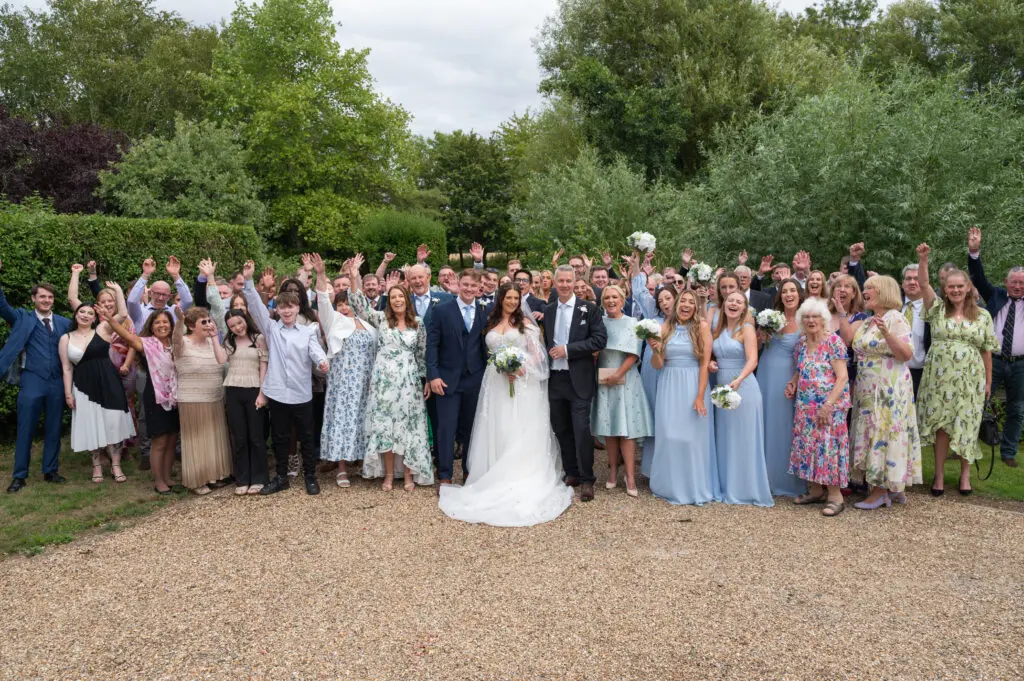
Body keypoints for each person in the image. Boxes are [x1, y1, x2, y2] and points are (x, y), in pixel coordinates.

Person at [439, 285, 574, 525]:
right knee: (497, 426)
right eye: (508, 297)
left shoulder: (527, 325)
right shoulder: (489, 321)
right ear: (501, 299)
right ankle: (492, 473)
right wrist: (502, 366)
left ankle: (517, 475)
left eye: (515, 298)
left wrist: (519, 366)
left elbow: (539, 357)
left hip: (521, 382)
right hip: (494, 383)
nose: (512, 301)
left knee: (517, 428)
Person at [915, 244, 998, 496]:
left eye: (960, 286)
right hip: (939, 379)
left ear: (969, 288)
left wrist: (988, 382)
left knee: (967, 425)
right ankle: (938, 476)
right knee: (941, 426)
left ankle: (965, 476)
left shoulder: (982, 315)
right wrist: (923, 259)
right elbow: (923, 284)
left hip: (970, 379)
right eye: (951, 286)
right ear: (945, 289)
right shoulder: (937, 309)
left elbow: (986, 351)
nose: (955, 290)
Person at [242, 260, 330, 496]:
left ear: (297, 307)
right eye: (283, 308)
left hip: (302, 393)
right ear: (278, 310)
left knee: (307, 437)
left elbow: (316, 351)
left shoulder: (307, 331)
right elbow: (255, 307)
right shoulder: (271, 329)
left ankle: (310, 476)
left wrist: (322, 362)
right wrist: (249, 281)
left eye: (292, 307)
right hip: (279, 392)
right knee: (280, 437)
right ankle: (281, 477)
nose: (288, 311)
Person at [349, 265, 434, 491]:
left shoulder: (418, 323)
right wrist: (353, 277)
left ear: (407, 299)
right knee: (386, 426)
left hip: (408, 382)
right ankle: (387, 475)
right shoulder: (381, 320)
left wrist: (424, 380)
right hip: (384, 381)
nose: (397, 300)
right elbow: (359, 306)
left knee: (407, 428)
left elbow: (422, 354)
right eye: (393, 296)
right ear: (389, 300)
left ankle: (407, 475)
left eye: (400, 296)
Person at [847, 275, 922, 509]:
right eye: (865, 287)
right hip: (867, 387)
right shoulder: (870, 320)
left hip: (887, 388)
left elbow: (906, 355)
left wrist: (887, 334)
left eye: (870, 288)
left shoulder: (895, 318)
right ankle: (893, 486)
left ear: (884, 292)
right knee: (872, 431)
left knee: (884, 431)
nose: (865, 291)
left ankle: (880, 491)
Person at [0, 262, 72, 492]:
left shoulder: (63, 322)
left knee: (53, 427)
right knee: (26, 428)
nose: (46, 300)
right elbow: (2, 306)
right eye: (42, 297)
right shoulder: (21, 318)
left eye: (50, 297)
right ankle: (19, 475)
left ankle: (50, 471)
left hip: (56, 382)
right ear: (33, 299)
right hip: (31, 380)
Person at [310, 254, 377, 487]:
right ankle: (341, 468)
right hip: (343, 384)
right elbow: (322, 300)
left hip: (366, 382)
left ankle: (362, 462)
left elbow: (359, 297)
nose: (346, 307)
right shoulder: (333, 322)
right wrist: (320, 274)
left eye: (348, 302)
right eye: (341, 303)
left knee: (362, 421)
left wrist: (355, 275)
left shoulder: (369, 324)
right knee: (341, 422)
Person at [647, 289, 718, 505]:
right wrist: (656, 350)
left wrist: (699, 396)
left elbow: (705, 363)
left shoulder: (702, 327)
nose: (686, 305)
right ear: (676, 305)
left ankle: (693, 487)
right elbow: (657, 365)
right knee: (669, 435)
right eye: (683, 301)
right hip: (669, 383)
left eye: (691, 302)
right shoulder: (665, 327)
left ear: (696, 307)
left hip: (693, 384)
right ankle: (669, 485)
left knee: (691, 438)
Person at [543, 265, 608, 501]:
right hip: (555, 379)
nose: (564, 284)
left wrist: (568, 350)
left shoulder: (588, 309)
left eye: (568, 281)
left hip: (579, 379)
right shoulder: (549, 311)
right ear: (555, 283)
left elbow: (599, 340)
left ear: (574, 282)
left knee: (581, 430)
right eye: (560, 281)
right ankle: (571, 472)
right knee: (561, 428)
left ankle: (587, 478)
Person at [103, 309, 180, 495]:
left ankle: (168, 476)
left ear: (171, 325)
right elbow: (128, 337)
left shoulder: (177, 343)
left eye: (165, 322)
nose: (162, 325)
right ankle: (159, 481)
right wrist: (112, 322)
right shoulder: (147, 344)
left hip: (176, 395)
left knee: (171, 439)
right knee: (160, 440)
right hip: (155, 396)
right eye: (157, 323)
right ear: (151, 327)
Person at [787, 298, 851, 517]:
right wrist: (793, 382)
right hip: (805, 405)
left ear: (823, 319)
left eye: (815, 316)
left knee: (828, 448)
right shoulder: (801, 343)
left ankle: (835, 496)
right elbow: (800, 368)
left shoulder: (833, 342)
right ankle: (815, 490)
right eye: (806, 317)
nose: (811, 320)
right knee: (808, 447)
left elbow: (842, 377)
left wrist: (828, 405)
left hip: (829, 406)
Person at [59, 303, 136, 483]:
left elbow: (123, 314)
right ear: (76, 315)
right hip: (84, 385)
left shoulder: (102, 329)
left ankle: (116, 465)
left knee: (114, 422)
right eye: (82, 312)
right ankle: (97, 467)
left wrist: (117, 290)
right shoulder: (65, 338)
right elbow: (66, 368)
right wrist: (68, 393)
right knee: (91, 424)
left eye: (90, 313)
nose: (85, 315)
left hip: (109, 381)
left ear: (95, 318)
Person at [967, 226, 1024, 469]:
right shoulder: (996, 295)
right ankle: (967, 447)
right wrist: (974, 252)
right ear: (1006, 282)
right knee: (977, 402)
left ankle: (1008, 451)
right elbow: (977, 277)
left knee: (1017, 409)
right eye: (1014, 282)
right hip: (993, 360)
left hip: (1020, 363)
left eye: (1022, 283)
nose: (1018, 286)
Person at [427, 269, 489, 487]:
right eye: (465, 284)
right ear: (459, 285)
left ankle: (469, 472)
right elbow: (432, 344)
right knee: (446, 428)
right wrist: (433, 375)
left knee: (472, 428)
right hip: (446, 379)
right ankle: (444, 474)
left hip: (475, 379)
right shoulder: (442, 310)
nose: (469, 289)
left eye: (473, 286)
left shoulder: (485, 311)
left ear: (479, 287)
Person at [712, 291, 773, 506]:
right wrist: (712, 364)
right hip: (722, 386)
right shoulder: (718, 329)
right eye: (730, 300)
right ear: (724, 304)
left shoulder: (746, 329)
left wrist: (738, 380)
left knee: (744, 437)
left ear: (744, 307)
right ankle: (727, 484)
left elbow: (753, 360)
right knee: (726, 435)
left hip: (743, 386)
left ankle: (747, 488)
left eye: (739, 301)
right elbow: (713, 356)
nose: (734, 304)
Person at [591, 285, 653, 497]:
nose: (610, 300)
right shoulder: (598, 321)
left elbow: (634, 354)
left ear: (622, 299)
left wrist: (618, 374)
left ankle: (630, 475)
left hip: (626, 377)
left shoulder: (632, 323)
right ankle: (612, 472)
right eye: (606, 297)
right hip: (605, 376)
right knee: (609, 426)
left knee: (625, 429)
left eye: (614, 297)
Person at [172, 305, 231, 495]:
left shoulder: (212, 343)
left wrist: (214, 338)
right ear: (191, 326)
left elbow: (222, 361)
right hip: (192, 399)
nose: (208, 324)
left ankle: (213, 476)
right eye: (203, 322)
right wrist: (179, 320)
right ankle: (197, 479)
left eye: (209, 320)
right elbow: (174, 340)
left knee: (214, 437)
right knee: (196, 440)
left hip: (214, 397)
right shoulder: (182, 342)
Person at [628, 256, 677, 478]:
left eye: (668, 298)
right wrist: (636, 266)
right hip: (652, 369)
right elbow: (638, 292)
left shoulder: (687, 319)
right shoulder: (653, 317)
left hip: (676, 371)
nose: (665, 303)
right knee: (654, 411)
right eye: (661, 300)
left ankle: (673, 462)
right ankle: (651, 466)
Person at [757, 279, 806, 497]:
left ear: (799, 294)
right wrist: (762, 335)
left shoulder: (806, 320)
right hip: (766, 373)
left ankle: (787, 479)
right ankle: (764, 476)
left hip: (789, 375)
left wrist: (796, 379)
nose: (788, 294)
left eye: (792, 290)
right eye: (784, 291)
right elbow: (758, 346)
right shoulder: (771, 318)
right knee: (764, 421)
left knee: (785, 423)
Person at [223, 309, 269, 495]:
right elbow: (220, 360)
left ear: (246, 320)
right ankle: (243, 478)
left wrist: (262, 393)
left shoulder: (259, 339)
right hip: (233, 390)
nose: (237, 328)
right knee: (240, 437)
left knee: (256, 437)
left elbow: (264, 366)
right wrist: (211, 338)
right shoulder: (228, 341)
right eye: (232, 326)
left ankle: (259, 477)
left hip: (253, 390)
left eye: (239, 323)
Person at [900, 264, 927, 397]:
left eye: (916, 278)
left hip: (922, 373)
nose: (912, 282)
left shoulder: (931, 308)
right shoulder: (894, 306)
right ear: (902, 283)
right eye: (908, 278)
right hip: (895, 370)